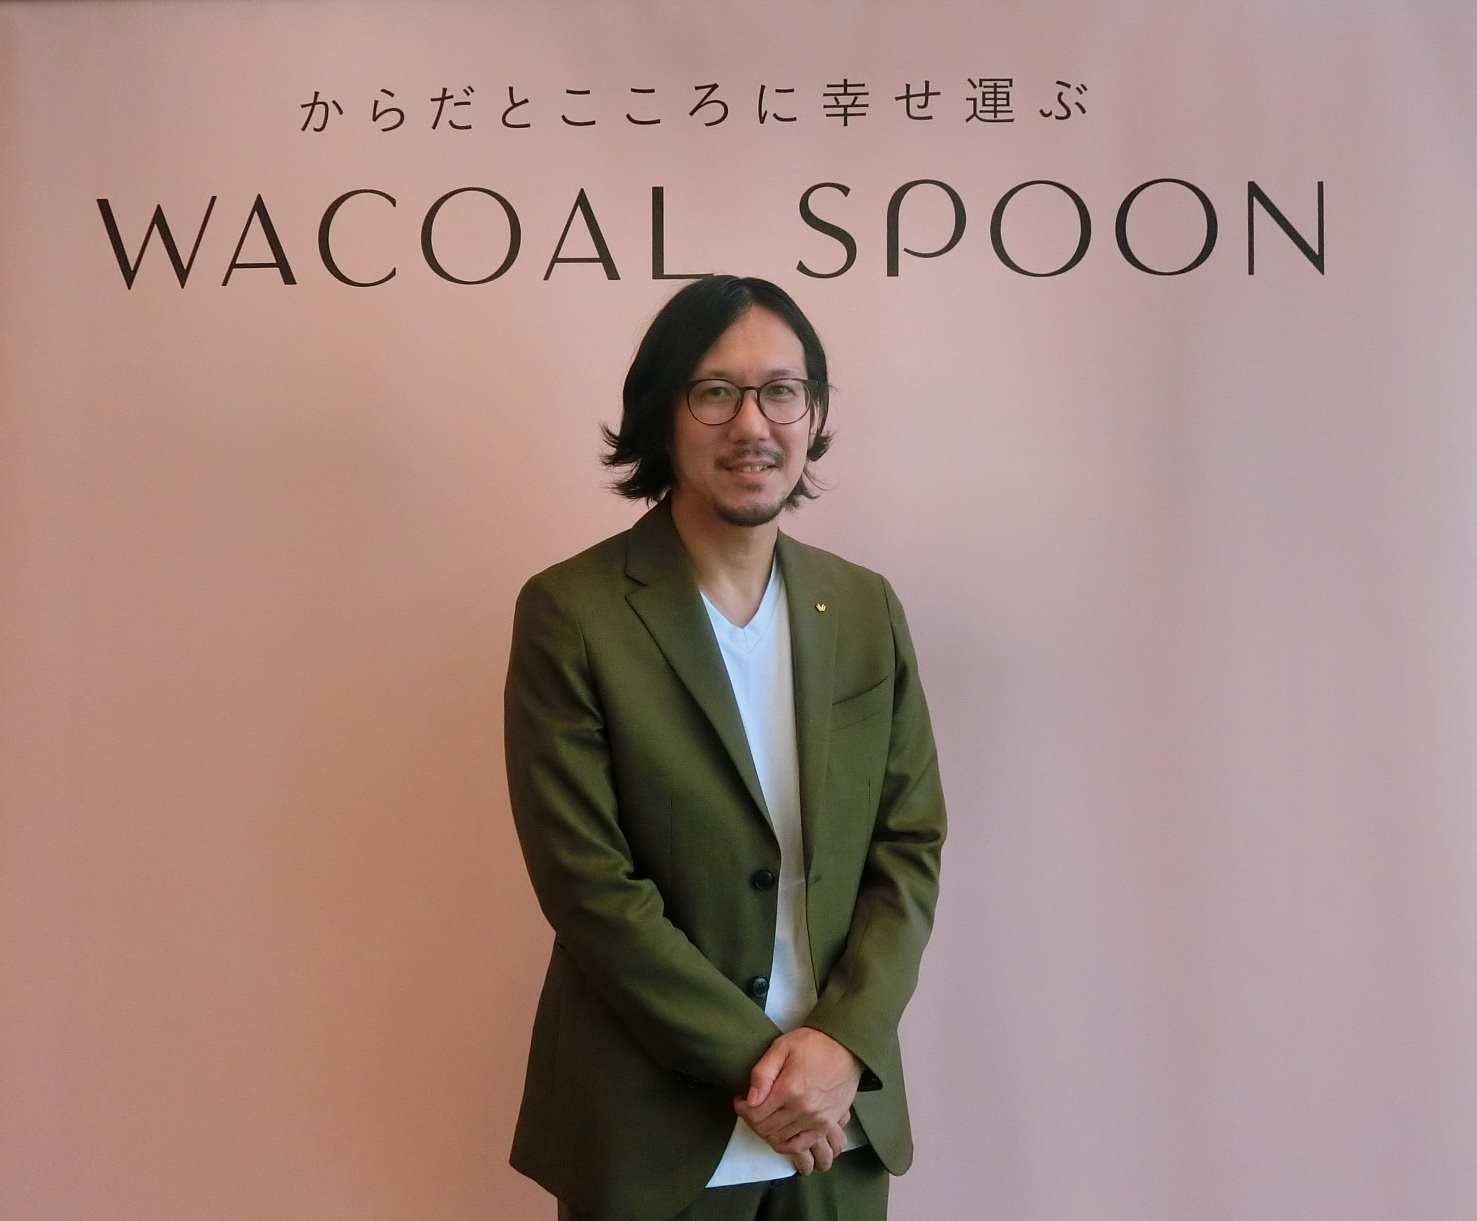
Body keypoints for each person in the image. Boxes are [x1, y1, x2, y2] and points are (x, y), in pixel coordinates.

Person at [504, 274, 947, 1221]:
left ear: (811, 412)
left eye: (781, 390)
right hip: (657, 1131)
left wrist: (841, 1043)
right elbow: (589, 886)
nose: (753, 423)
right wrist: (772, 1075)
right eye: (715, 391)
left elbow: (908, 845)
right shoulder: (572, 612)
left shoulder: (862, 607)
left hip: (837, 1132)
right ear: (662, 414)